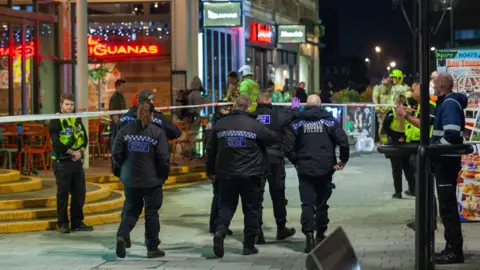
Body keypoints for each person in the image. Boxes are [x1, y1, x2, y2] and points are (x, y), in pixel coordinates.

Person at [206, 95, 279, 258]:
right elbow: (271, 138)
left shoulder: (220, 124)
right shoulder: (254, 125)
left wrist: (210, 171)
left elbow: (210, 150)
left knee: (225, 206)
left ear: (233, 106)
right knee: (251, 209)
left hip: (226, 174)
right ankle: (248, 245)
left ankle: (219, 232)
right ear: (248, 107)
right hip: (251, 174)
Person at [283, 94, 349, 253]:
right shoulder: (330, 121)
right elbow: (343, 141)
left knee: (307, 204)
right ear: (320, 105)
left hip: (304, 168)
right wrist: (343, 160)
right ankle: (320, 233)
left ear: (306, 105)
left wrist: (296, 161)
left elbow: (287, 146)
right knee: (321, 203)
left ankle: (309, 237)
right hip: (326, 168)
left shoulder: (297, 122)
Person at [112, 102, 171, 259]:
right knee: (152, 213)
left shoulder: (125, 131)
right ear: (152, 115)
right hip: (151, 180)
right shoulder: (157, 133)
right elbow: (164, 158)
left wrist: (122, 170)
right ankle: (152, 248)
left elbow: (116, 153)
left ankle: (122, 236)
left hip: (131, 179)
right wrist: (163, 175)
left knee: (131, 209)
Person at [430, 72, 467, 264]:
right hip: (444, 161)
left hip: (445, 162)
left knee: (447, 208)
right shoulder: (446, 103)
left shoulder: (450, 104)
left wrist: (434, 149)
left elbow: (451, 134)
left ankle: (454, 251)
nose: (433, 86)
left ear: (442, 85)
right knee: (447, 207)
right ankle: (450, 248)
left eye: (435, 83)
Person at [251, 92, 296, 244]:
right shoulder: (278, 113)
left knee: (257, 196)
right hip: (276, 159)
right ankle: (281, 228)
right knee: (278, 195)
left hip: (257, 160)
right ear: (269, 100)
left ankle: (257, 232)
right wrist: (295, 107)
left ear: (257, 101)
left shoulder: (252, 116)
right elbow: (291, 118)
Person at [395, 82, 437, 230]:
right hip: (417, 148)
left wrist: (405, 115)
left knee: (425, 186)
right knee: (421, 187)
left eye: (413, 90)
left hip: (425, 149)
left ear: (421, 90)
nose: (411, 92)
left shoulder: (429, 104)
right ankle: (424, 219)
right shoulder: (419, 105)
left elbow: (424, 124)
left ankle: (427, 221)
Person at [49, 93, 93, 233]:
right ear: (61, 105)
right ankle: (62, 224)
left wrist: (80, 151)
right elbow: (56, 143)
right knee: (63, 194)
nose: (69, 107)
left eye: (72, 104)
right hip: (62, 162)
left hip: (76, 161)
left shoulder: (76, 118)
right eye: (67, 104)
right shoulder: (56, 120)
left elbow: (84, 138)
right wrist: (72, 152)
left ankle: (77, 222)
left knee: (80, 192)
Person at [204, 105, 234, 236]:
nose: (229, 111)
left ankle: (220, 224)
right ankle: (216, 225)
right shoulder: (216, 125)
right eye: (226, 109)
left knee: (222, 197)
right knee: (219, 197)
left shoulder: (217, 124)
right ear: (220, 110)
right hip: (219, 165)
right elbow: (210, 148)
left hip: (221, 164)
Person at [114, 88, 181, 143]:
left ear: (138, 101)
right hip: (152, 158)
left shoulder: (123, 119)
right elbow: (175, 132)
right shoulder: (158, 118)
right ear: (150, 101)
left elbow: (115, 142)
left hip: (129, 158)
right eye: (152, 100)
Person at [383, 94, 415, 199]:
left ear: (395, 102)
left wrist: (396, 137)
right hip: (406, 142)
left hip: (394, 143)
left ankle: (398, 192)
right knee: (407, 167)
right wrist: (404, 137)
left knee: (396, 169)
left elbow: (385, 128)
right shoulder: (409, 112)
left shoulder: (391, 113)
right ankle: (412, 189)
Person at [373, 77, 393, 143]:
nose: (385, 79)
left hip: (392, 110)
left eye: (388, 77)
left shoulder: (394, 86)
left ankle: (390, 141)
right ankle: (383, 142)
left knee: (392, 126)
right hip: (382, 111)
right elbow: (375, 97)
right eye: (385, 77)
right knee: (382, 126)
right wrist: (378, 108)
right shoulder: (378, 87)